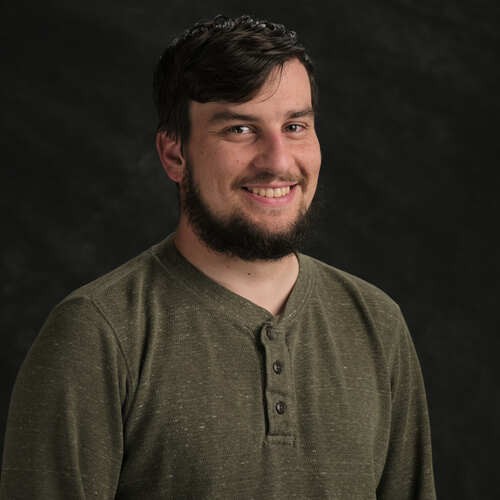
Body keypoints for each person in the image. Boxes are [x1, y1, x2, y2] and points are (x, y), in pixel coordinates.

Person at [0, 15, 436, 499]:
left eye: (295, 126)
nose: (278, 161)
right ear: (174, 155)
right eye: (240, 129)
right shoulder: (97, 333)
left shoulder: (377, 322)